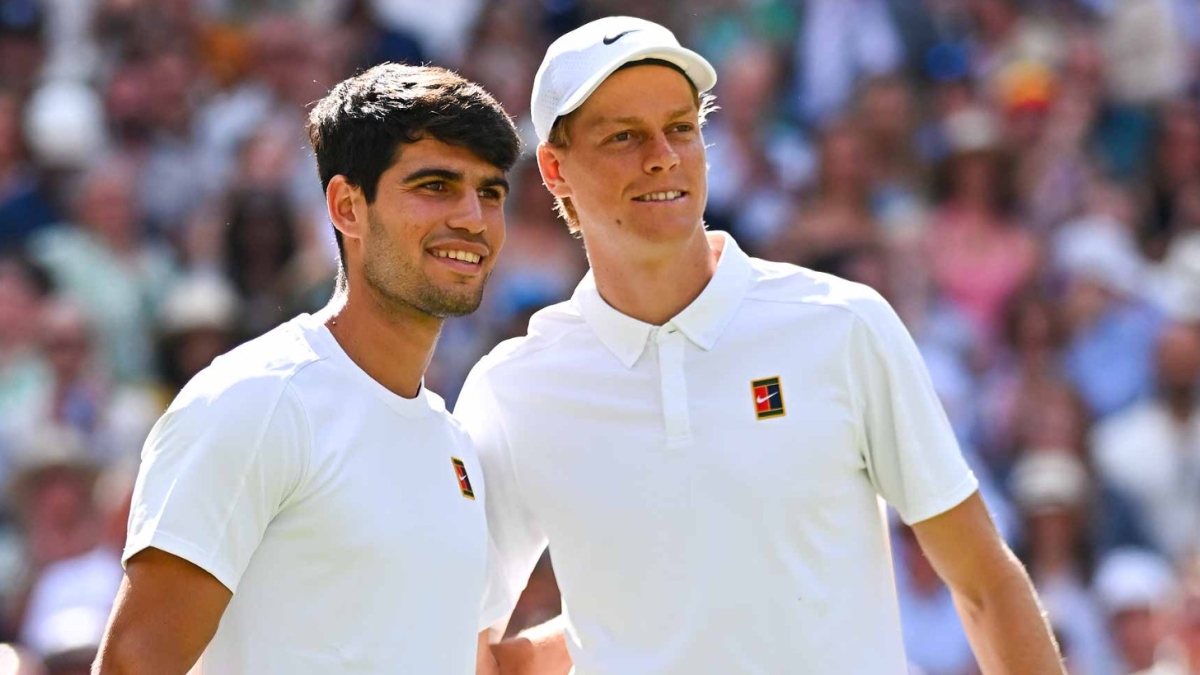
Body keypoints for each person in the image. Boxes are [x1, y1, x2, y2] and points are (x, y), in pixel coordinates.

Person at [455, 16, 1067, 674]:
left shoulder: (843, 325)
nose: (662, 155)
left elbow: (985, 584)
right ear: (554, 169)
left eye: (681, 128)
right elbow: (468, 646)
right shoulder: (512, 389)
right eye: (624, 137)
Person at [92, 63, 521, 674]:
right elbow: (135, 666)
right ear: (347, 207)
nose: (473, 219)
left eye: (491, 192)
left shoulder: (453, 442)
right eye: (435, 185)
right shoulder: (257, 400)